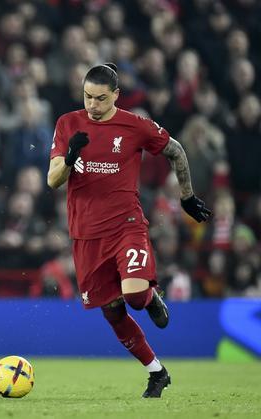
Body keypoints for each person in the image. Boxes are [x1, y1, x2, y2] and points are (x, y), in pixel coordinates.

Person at [47, 63, 212, 398]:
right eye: (87, 97)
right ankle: (157, 372)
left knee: (135, 297)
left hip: (126, 226)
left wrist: (186, 196)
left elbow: (176, 150)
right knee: (112, 311)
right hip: (86, 234)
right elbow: (52, 180)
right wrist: (70, 157)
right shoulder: (68, 123)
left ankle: (151, 297)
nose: (92, 105)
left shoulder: (135, 125)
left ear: (116, 95)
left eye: (100, 98)